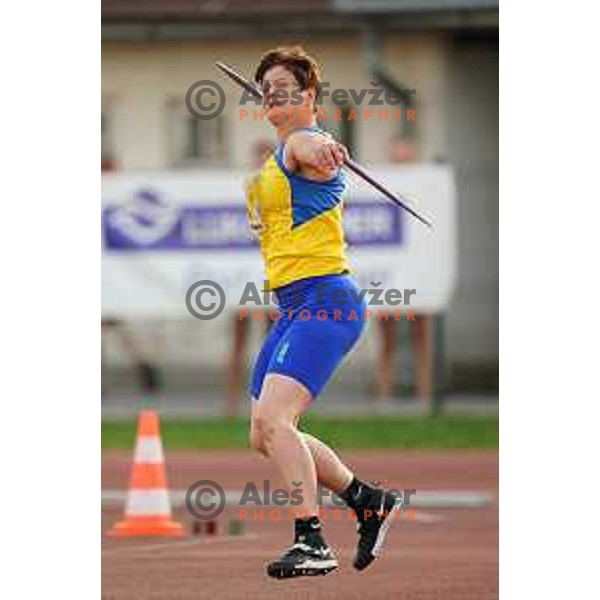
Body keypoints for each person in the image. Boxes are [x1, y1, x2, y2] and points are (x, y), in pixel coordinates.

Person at [246, 47, 402, 579]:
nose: (269, 93)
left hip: (324, 300)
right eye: (264, 86)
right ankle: (367, 500)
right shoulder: (277, 156)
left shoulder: (300, 144)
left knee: (275, 420)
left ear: (308, 95)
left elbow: (315, 145)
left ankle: (310, 540)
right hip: (293, 307)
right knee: (261, 432)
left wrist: (327, 144)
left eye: (282, 86)